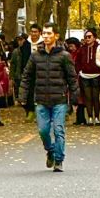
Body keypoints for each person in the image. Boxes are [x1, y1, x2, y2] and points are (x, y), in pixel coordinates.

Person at [18, 26, 79, 173]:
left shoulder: (64, 56)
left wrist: (75, 100)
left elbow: (72, 78)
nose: (45, 36)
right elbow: (26, 76)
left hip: (59, 100)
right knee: (43, 130)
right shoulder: (36, 56)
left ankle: (59, 160)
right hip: (41, 100)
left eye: (48, 33)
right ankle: (50, 150)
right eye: (43, 33)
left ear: (56, 36)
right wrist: (22, 96)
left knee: (58, 130)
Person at [76, 28, 100, 125]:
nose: (87, 39)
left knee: (95, 97)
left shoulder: (99, 48)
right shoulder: (82, 49)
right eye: (86, 37)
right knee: (88, 97)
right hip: (84, 76)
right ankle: (90, 117)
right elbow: (77, 61)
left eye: (89, 37)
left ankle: (97, 117)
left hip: (96, 75)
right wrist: (79, 70)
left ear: (94, 38)